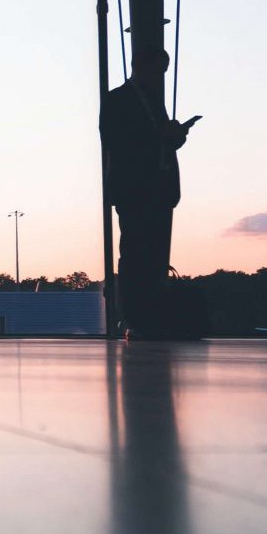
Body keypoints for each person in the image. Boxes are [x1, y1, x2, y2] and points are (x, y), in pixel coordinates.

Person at [101, 42, 197, 339]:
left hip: (154, 189)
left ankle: (145, 316)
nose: (161, 76)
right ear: (142, 66)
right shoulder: (120, 100)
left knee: (149, 254)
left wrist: (173, 137)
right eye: (159, 69)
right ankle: (136, 318)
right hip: (137, 189)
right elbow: (116, 143)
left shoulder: (146, 99)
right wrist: (164, 137)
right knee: (136, 254)